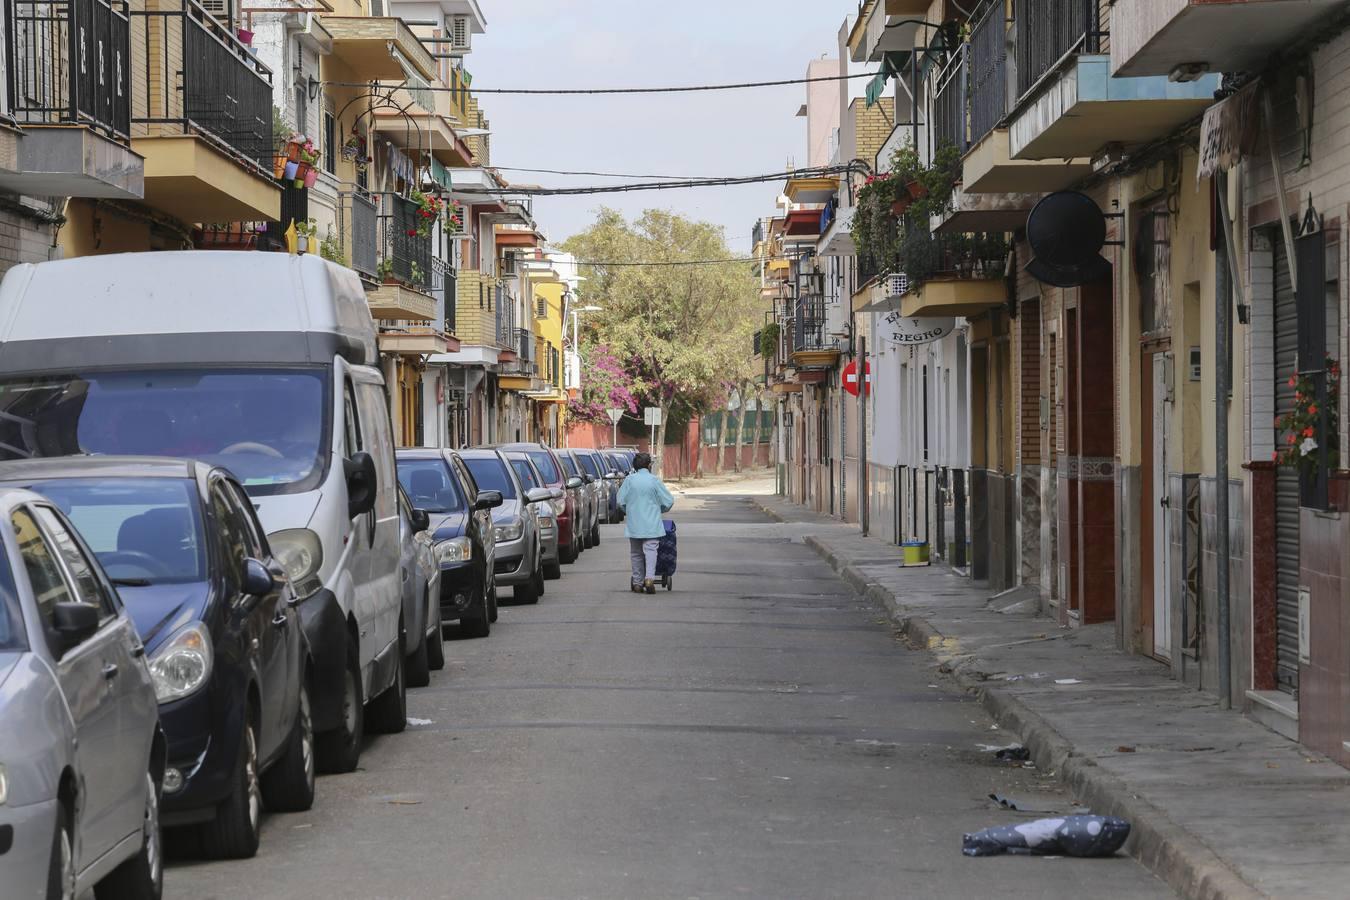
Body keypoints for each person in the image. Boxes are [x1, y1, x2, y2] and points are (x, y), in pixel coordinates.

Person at [616, 451, 674, 594]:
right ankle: (649, 579)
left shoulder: (629, 480)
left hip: (635, 524)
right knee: (651, 551)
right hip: (651, 524)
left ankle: (637, 582)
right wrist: (659, 509)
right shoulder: (654, 480)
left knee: (636, 553)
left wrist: (629, 510)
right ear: (649, 465)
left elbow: (620, 501)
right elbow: (668, 501)